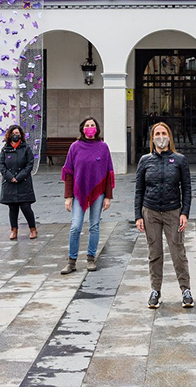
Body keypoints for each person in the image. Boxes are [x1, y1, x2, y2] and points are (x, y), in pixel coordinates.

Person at [135, 122, 194, 309]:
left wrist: (184, 212)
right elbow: (139, 189)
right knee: (154, 253)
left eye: (163, 133)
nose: (161, 136)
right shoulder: (145, 160)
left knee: (178, 252)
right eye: (157, 133)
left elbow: (186, 188)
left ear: (169, 136)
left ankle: (185, 290)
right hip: (150, 211)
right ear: (152, 138)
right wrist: (138, 215)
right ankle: (155, 290)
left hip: (173, 211)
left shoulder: (179, 160)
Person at [60, 117, 114, 274]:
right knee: (75, 226)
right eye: (87, 125)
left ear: (97, 128)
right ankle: (71, 261)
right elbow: (68, 172)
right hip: (79, 193)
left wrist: (108, 197)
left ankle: (91, 258)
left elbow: (108, 173)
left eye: (92, 125)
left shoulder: (103, 147)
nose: (90, 128)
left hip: (98, 192)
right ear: (82, 129)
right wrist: (68, 196)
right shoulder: (75, 147)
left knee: (94, 225)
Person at [0, 125, 37, 240]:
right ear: (9, 135)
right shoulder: (5, 149)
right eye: (13, 133)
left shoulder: (26, 148)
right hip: (9, 183)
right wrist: (10, 177)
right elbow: (1, 165)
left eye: (18, 133)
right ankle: (14, 230)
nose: (16, 135)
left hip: (23, 182)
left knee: (26, 207)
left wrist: (19, 177)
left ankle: (33, 229)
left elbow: (30, 164)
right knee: (13, 208)